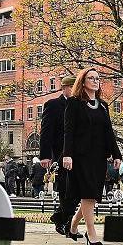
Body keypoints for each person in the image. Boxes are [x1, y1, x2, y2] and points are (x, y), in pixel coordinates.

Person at [62, 67, 122, 245]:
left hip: (99, 156)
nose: (95, 81)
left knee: (93, 195)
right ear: (83, 81)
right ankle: (91, 232)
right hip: (80, 156)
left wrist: (116, 153)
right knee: (87, 193)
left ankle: (73, 224)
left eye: (97, 78)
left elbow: (108, 131)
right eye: (91, 78)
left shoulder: (103, 105)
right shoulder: (74, 103)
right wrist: (67, 155)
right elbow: (69, 131)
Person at [40, 75, 75, 235]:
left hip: (79, 153)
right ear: (64, 88)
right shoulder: (53, 105)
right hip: (61, 153)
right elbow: (46, 132)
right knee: (66, 188)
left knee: (77, 190)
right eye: (72, 87)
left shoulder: (80, 105)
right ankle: (64, 221)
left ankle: (61, 218)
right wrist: (45, 155)